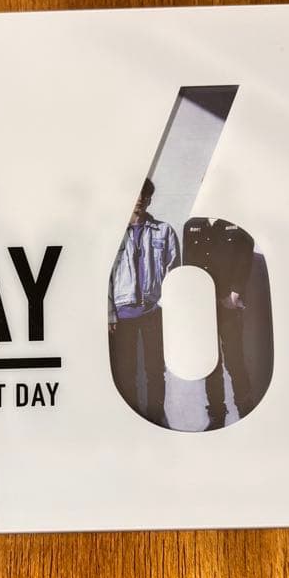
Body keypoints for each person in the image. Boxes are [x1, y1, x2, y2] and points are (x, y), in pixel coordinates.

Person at [108, 178, 180, 426]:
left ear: (149, 199)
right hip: (122, 315)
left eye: (144, 195)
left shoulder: (164, 231)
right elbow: (104, 278)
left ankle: (156, 418)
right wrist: (109, 313)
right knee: (125, 371)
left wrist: (167, 310)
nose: (139, 199)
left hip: (154, 311)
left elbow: (174, 273)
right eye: (135, 193)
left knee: (155, 370)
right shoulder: (111, 233)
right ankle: (130, 421)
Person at [183, 218, 255, 429]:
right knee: (210, 362)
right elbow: (187, 265)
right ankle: (217, 415)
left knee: (235, 360)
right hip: (203, 305)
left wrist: (236, 291)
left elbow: (245, 256)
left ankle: (246, 411)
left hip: (228, 306)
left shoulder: (234, 221)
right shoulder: (192, 225)